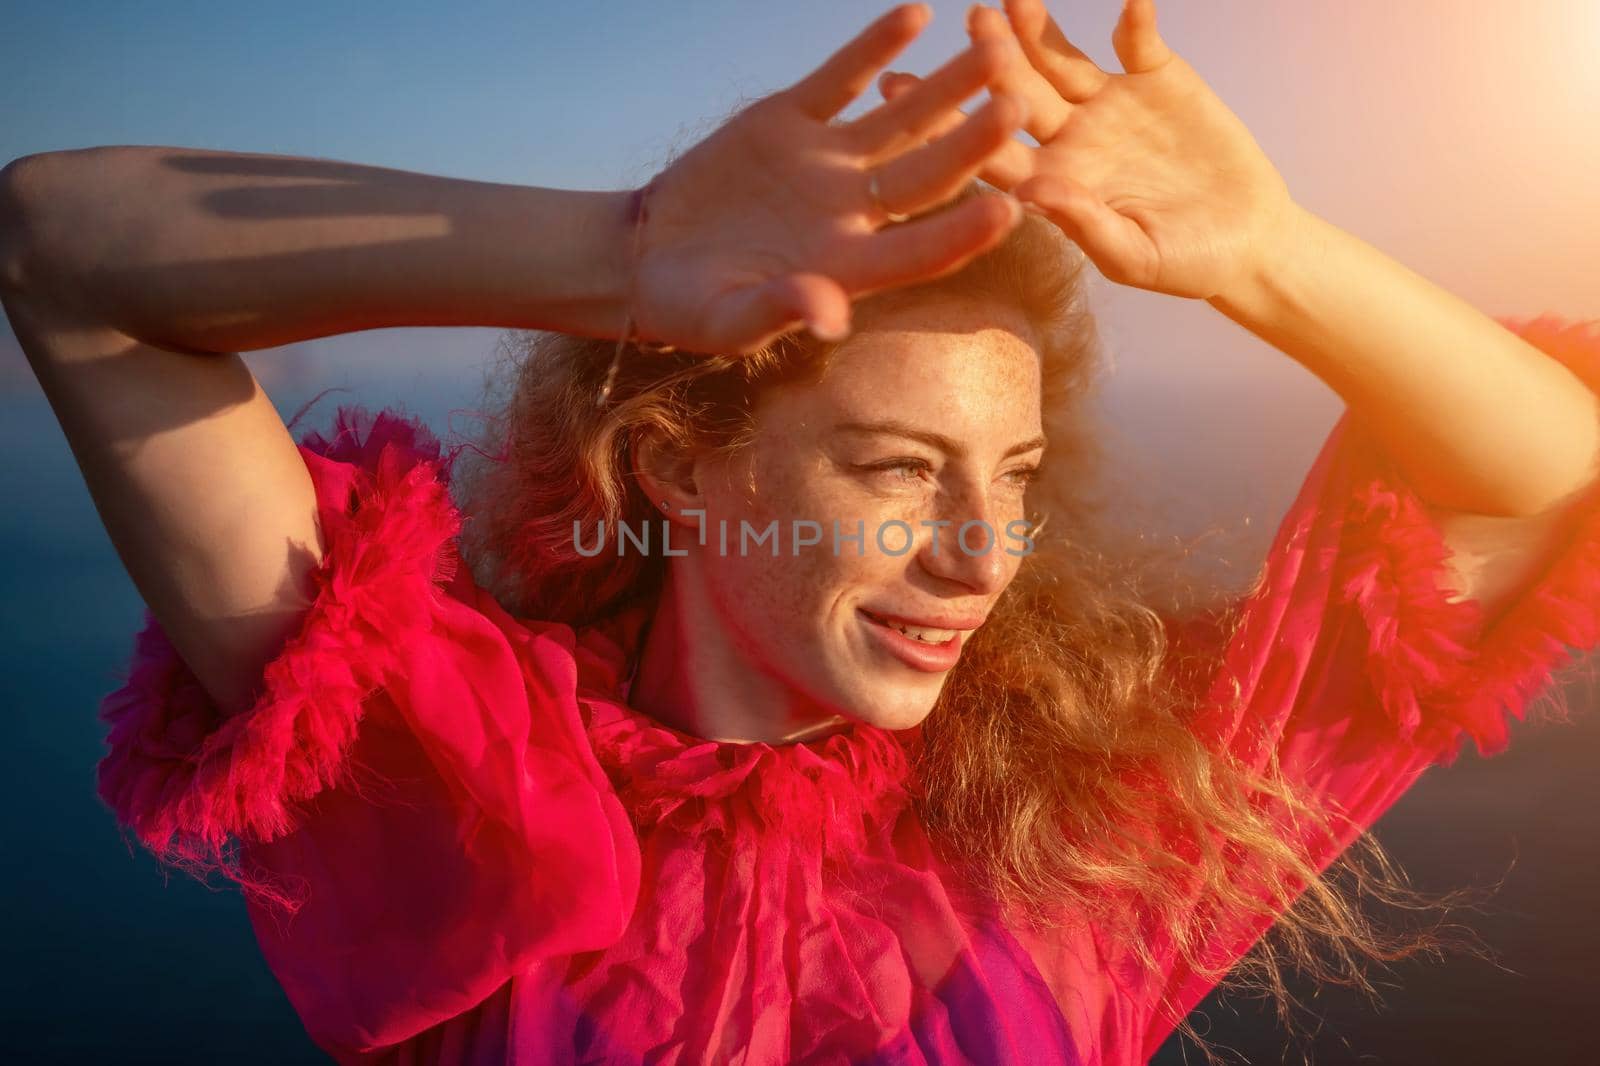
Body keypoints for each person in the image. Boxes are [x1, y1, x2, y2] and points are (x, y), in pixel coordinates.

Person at [4, 1, 1598, 1063]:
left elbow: (1539, 469)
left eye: (1016, 474)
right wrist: (617, 252)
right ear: (677, 472)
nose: (987, 550)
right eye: (899, 469)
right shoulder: (459, 778)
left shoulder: (1095, 830)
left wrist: (1267, 256)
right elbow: (63, 252)